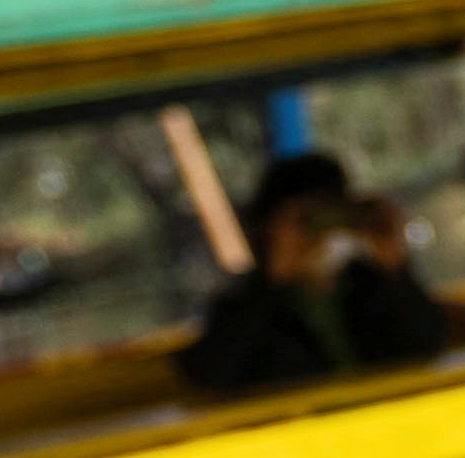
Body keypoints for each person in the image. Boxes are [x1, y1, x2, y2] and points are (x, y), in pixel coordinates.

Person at [178, 147, 450, 396]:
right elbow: (208, 375)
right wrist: (274, 278)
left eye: (331, 212)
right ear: (269, 228)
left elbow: (429, 345)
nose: (321, 232)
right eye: (306, 221)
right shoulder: (239, 306)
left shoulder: (370, 286)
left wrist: (395, 265)